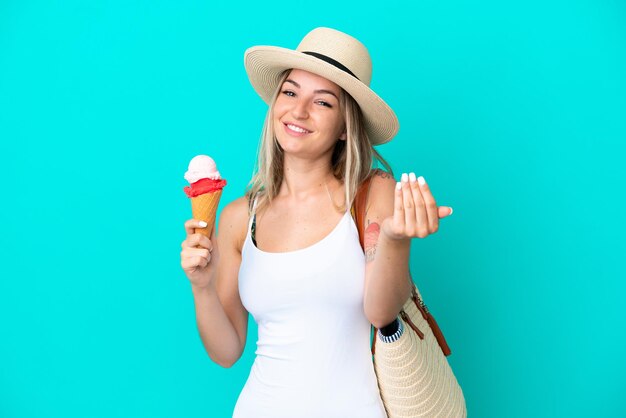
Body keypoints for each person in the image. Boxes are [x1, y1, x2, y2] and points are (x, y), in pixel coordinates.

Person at [180, 27, 453, 418]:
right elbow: (227, 351)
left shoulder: (372, 194)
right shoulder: (240, 217)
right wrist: (202, 286)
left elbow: (381, 312)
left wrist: (393, 237)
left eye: (322, 102)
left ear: (345, 127)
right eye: (290, 92)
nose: (299, 111)